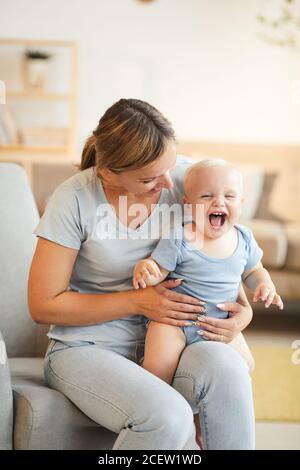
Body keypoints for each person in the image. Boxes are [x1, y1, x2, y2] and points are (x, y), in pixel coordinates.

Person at [28, 98, 255, 450]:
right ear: (108, 172)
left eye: (169, 165)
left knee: (228, 367)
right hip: (87, 348)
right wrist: (138, 301)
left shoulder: (185, 179)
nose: (168, 182)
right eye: (149, 177)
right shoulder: (73, 199)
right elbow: (43, 305)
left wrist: (243, 311)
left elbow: (225, 252)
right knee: (166, 415)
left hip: (177, 338)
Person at [132, 158, 284, 446]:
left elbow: (254, 270)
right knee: (157, 371)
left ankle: (204, 418)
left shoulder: (244, 238)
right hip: (175, 322)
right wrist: (146, 271)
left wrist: (264, 285)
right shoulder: (180, 237)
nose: (219, 202)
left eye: (229, 196)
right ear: (188, 205)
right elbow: (158, 269)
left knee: (245, 367)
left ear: (241, 202)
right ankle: (175, 421)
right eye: (206, 196)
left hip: (220, 325)